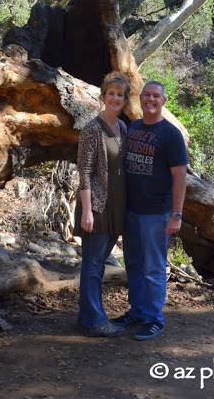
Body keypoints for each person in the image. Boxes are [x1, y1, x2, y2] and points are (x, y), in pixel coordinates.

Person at [114, 80, 188, 341]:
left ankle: (154, 319)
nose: (150, 100)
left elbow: (180, 177)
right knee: (133, 264)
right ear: (140, 99)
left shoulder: (170, 134)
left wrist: (176, 214)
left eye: (156, 96)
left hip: (156, 213)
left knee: (153, 267)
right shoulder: (133, 127)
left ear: (163, 101)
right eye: (146, 95)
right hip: (132, 211)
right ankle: (137, 311)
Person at [74, 71, 131, 337]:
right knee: (93, 264)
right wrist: (86, 211)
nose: (116, 98)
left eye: (120, 94)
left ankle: (88, 315)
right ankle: (93, 321)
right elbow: (84, 172)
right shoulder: (92, 129)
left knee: (98, 263)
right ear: (103, 96)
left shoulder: (123, 128)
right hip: (96, 207)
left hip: (115, 207)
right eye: (112, 93)